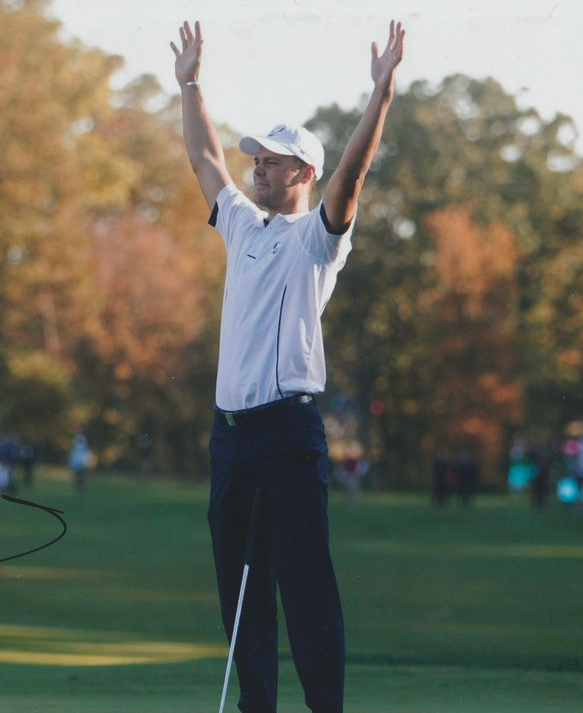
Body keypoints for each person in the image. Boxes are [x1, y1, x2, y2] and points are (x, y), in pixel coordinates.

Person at [171, 19, 405, 713]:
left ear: (302, 173)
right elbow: (203, 156)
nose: (258, 168)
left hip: (287, 434)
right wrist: (189, 82)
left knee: (302, 580)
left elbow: (353, 171)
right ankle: (257, 707)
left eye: (273, 161)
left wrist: (381, 97)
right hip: (231, 435)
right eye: (259, 160)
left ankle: (325, 707)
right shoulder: (242, 223)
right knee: (238, 585)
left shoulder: (316, 239)